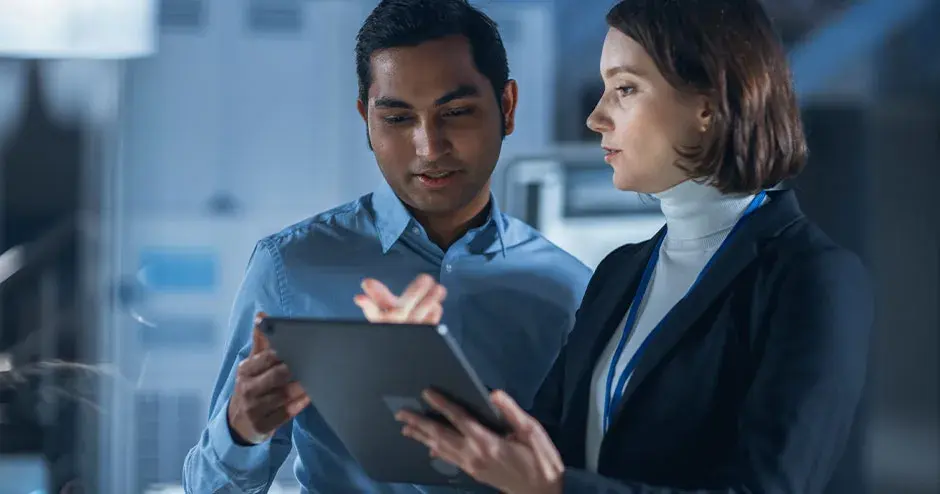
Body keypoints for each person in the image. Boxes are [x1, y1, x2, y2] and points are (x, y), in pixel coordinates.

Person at [358, 0, 874, 493]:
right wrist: (421, 363)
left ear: (708, 107)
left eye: (625, 89)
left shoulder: (810, 278)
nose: (596, 117)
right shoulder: (621, 272)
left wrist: (558, 489)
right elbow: (532, 455)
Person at [181, 0, 591, 492]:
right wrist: (240, 431)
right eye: (398, 119)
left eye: (456, 112)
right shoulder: (289, 269)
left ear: (506, 107)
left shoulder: (572, 291)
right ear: (366, 121)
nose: (428, 147)